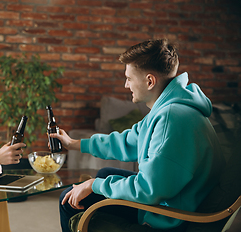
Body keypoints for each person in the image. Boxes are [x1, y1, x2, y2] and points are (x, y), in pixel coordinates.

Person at [50, 39, 225, 231]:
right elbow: (127, 141)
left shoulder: (171, 118)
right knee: (105, 173)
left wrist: (94, 185)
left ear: (149, 81)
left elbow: (148, 189)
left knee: (67, 201)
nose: (126, 85)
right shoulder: (168, 109)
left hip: (173, 217)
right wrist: (74, 143)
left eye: (129, 78)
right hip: (172, 198)